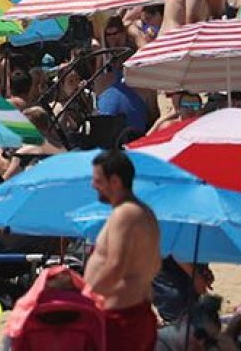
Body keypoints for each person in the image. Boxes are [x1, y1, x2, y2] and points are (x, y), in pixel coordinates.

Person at [84, 149, 160, 349]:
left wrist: (84, 296)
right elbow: (155, 263)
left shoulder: (125, 214)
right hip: (136, 312)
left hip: (120, 316)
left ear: (115, 181)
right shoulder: (145, 212)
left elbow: (116, 265)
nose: (93, 185)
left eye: (98, 181)